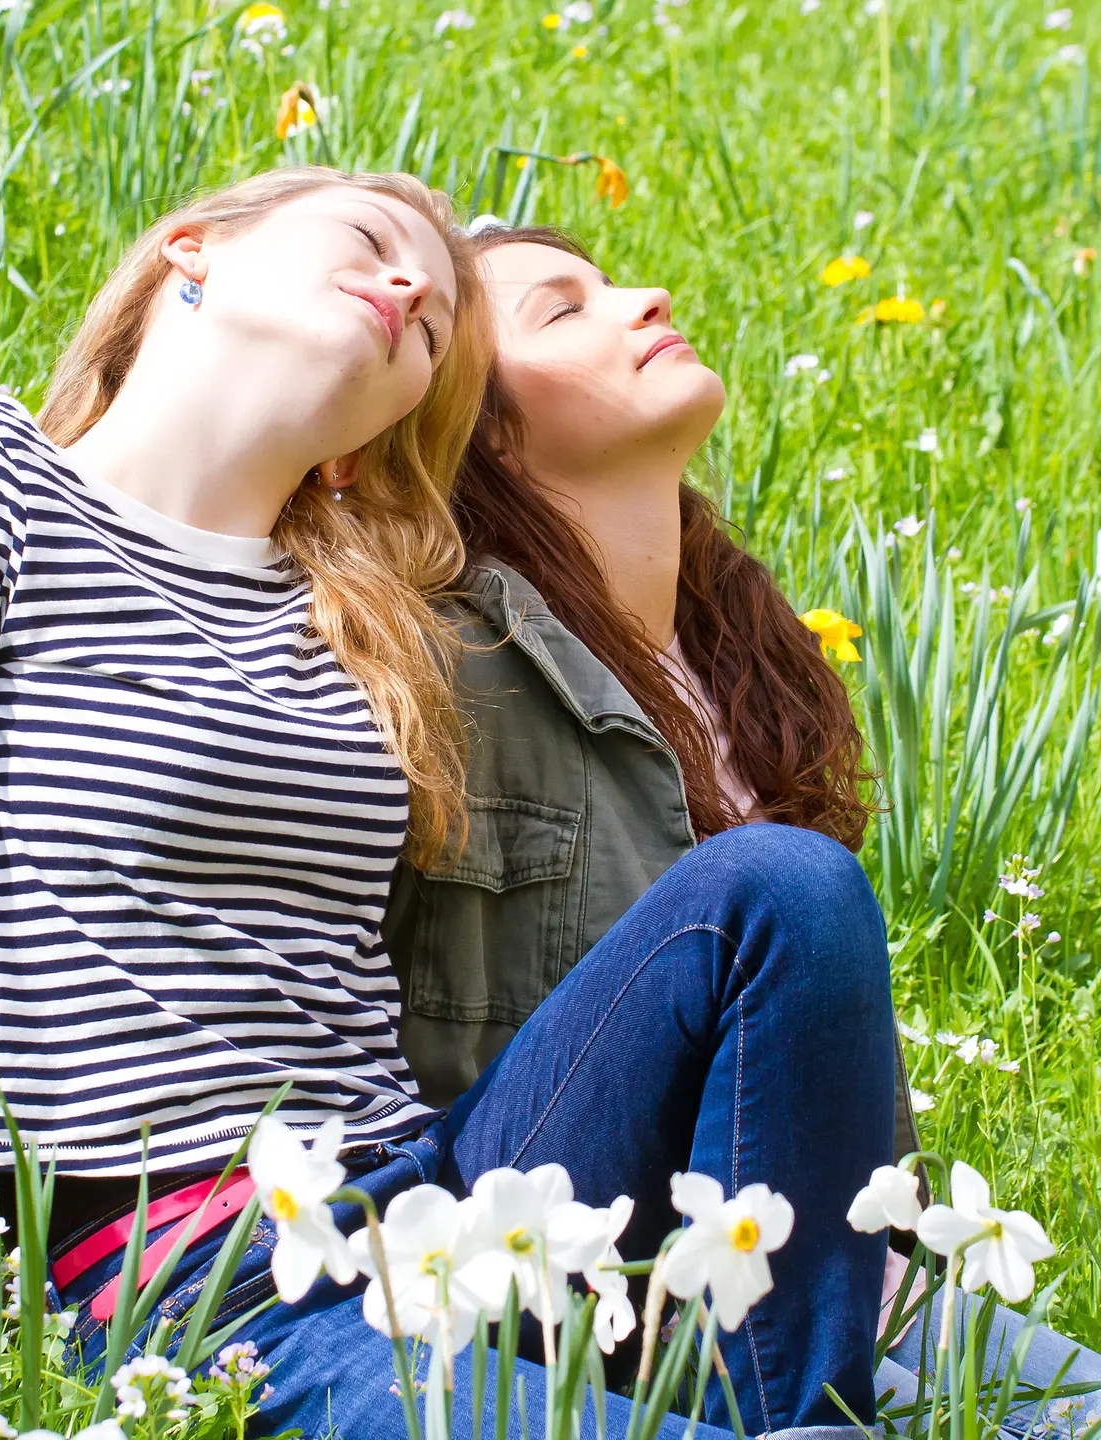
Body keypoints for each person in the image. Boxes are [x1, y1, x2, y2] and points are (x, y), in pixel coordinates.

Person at [380, 222, 1099, 1436]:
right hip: (577, 1275)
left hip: (839, 1271)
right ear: (481, 429)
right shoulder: (437, 664)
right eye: (564, 312)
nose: (648, 293)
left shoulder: (739, 666)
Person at [0, 165, 488, 1368]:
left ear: (358, 455)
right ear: (190, 252)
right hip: (185, 1242)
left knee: (776, 894)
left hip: (425, 1187)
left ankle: (829, 1359)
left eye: (431, 330)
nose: (410, 289)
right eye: (370, 241)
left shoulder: (355, 631)